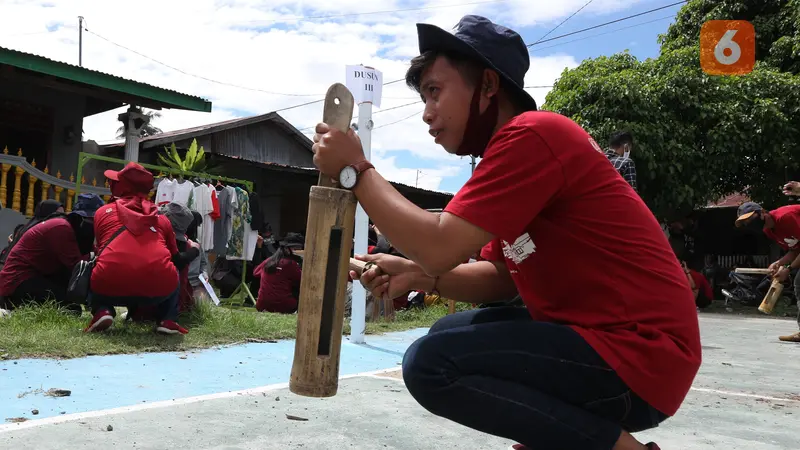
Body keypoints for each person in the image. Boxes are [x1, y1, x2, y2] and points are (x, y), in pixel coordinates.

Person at [311, 15, 700, 450]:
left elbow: (438, 246)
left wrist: (356, 170)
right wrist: (422, 276)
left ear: (489, 86)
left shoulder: (534, 135)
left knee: (430, 363)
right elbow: (499, 277)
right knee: (445, 334)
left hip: (640, 354)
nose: (426, 114)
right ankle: (562, 436)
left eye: (435, 92)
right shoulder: (511, 155)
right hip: (614, 348)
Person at [85, 162, 188, 335]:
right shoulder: (162, 219)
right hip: (158, 291)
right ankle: (168, 319)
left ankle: (102, 310)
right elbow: (175, 256)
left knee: (94, 262)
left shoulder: (102, 212)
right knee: (172, 267)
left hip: (108, 287)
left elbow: (99, 249)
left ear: (122, 186)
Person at [0, 195, 102, 313]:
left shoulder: (70, 229)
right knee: (71, 309)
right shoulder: (61, 228)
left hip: (32, 278)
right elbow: (76, 266)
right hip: (18, 282)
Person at [735, 201, 800, 342]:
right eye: (745, 223)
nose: (749, 224)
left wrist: (788, 269)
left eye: (750, 219)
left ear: (762, 212)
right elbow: (795, 249)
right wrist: (779, 263)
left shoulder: (785, 217)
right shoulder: (769, 230)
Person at [253, 232, 303, 314]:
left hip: (261, 305)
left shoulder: (268, 261)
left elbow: (255, 272)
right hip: (284, 307)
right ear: (286, 249)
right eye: (296, 248)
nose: (298, 251)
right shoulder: (291, 264)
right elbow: (302, 281)